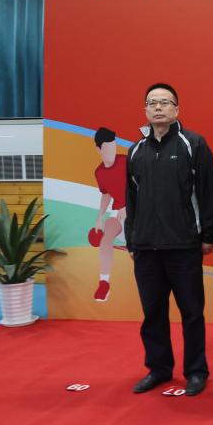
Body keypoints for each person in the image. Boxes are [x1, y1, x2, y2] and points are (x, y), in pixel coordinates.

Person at [124, 84, 213, 396]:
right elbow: (131, 200)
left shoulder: (193, 144)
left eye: (165, 102)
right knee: (153, 314)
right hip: (146, 248)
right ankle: (159, 369)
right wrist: (132, 240)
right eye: (152, 103)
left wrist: (208, 235)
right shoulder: (135, 150)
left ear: (177, 109)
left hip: (184, 246)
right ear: (145, 110)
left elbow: (208, 192)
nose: (158, 108)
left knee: (192, 313)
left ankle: (196, 371)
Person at [92, 127, 126, 301]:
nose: (112, 151)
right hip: (118, 212)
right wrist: (99, 217)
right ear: (98, 149)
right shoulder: (99, 172)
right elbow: (106, 194)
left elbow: (145, 186)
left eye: (114, 146)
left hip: (140, 210)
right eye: (107, 147)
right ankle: (104, 283)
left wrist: (129, 206)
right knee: (107, 234)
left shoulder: (127, 162)